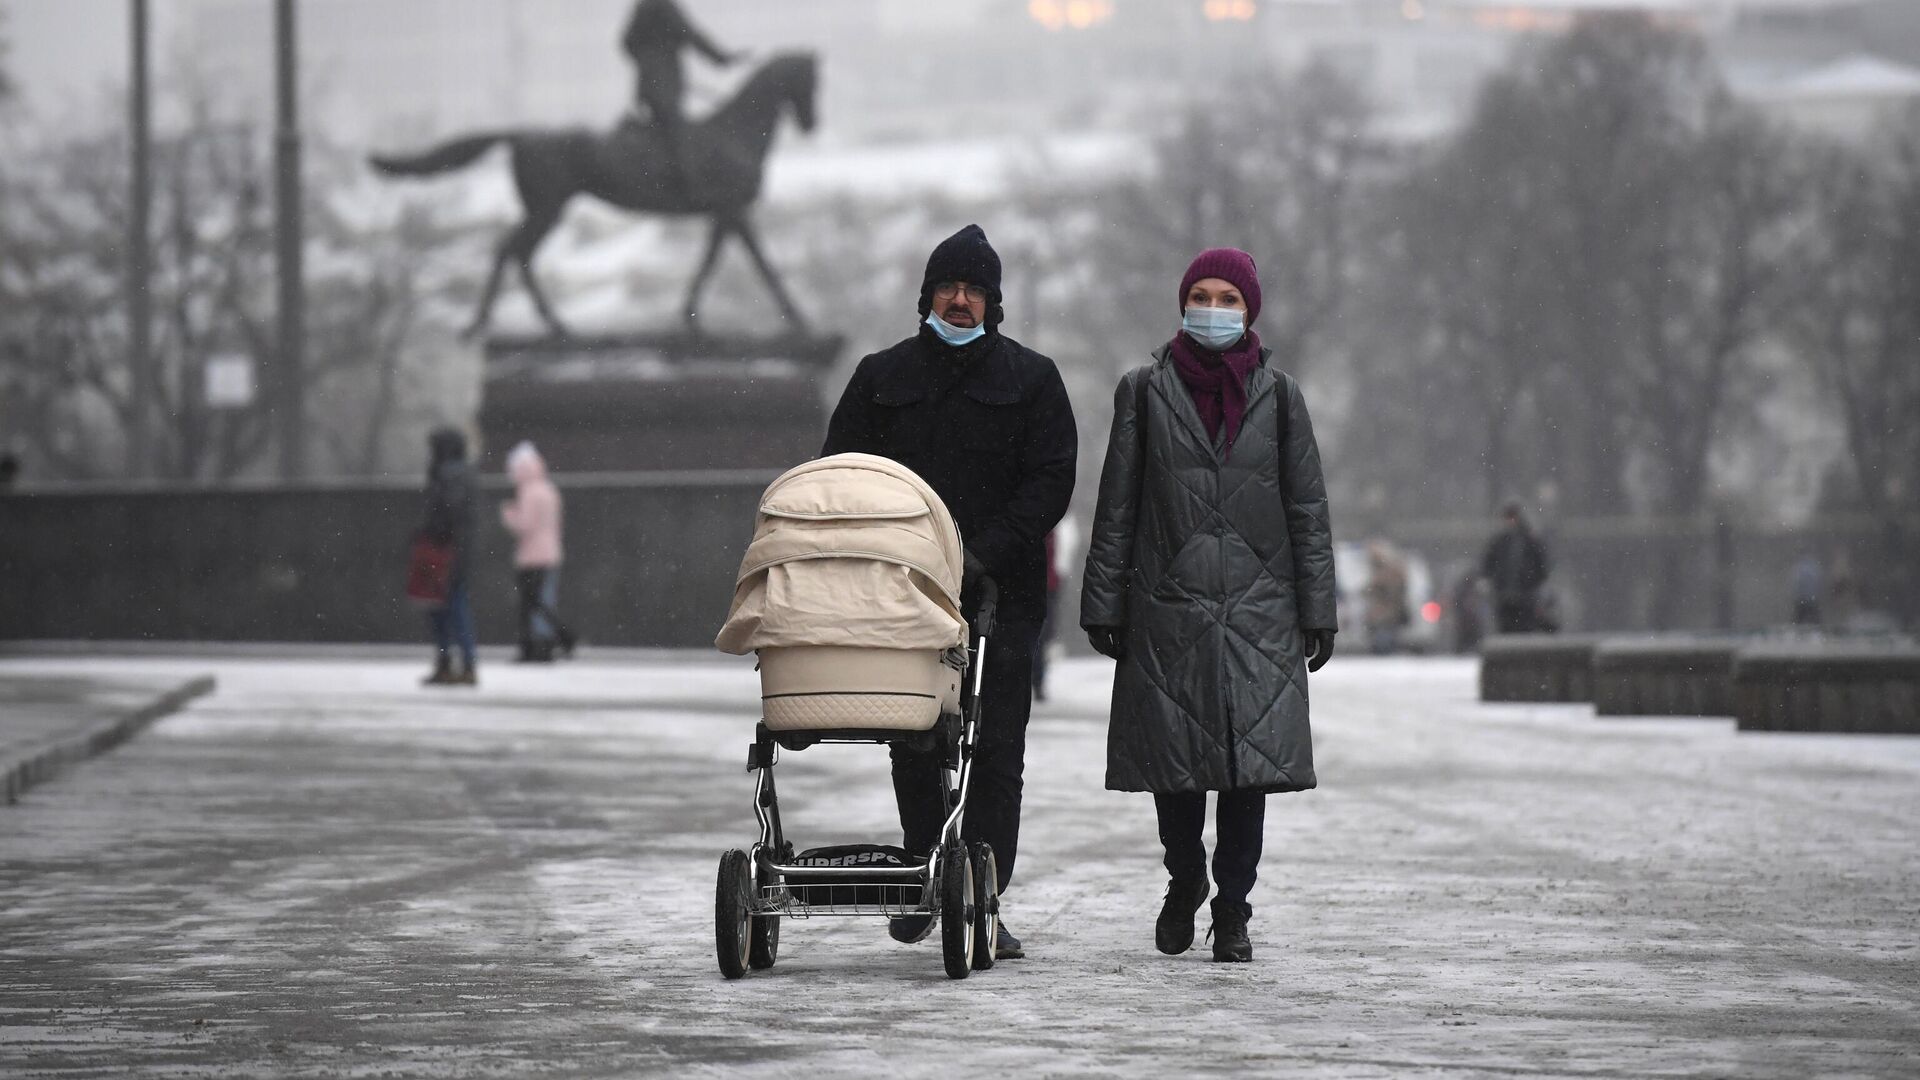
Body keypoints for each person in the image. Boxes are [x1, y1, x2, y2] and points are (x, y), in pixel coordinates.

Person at [821, 224, 1077, 960]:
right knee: (913, 734)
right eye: (948, 286)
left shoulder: (1033, 380)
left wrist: (981, 551)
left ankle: (984, 899)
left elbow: (1048, 481)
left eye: (974, 290)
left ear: (993, 303)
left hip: (1005, 592)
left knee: (998, 749)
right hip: (901, 591)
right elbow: (842, 470)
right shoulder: (880, 376)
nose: (960, 300)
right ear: (927, 295)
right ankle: (924, 875)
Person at [1081, 247, 1337, 963]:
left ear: (1250, 308)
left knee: (1245, 772)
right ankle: (1185, 876)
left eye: (1229, 297)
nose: (1215, 308)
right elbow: (1118, 505)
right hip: (1170, 605)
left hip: (1261, 610)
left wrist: (1318, 608)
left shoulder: (1281, 398)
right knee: (1177, 766)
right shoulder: (1143, 390)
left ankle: (1232, 910)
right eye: (1203, 294)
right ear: (1182, 303)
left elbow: (1308, 509)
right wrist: (1104, 603)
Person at [621, 0, 739, 194]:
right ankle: (689, 190)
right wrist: (721, 59)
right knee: (677, 134)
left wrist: (648, 63)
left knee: (664, 132)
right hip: (663, 84)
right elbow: (690, 34)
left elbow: (627, 42)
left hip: (652, 83)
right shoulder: (663, 5)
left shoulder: (644, 6)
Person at [500, 441, 576, 663]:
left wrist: (508, 514)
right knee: (541, 601)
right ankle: (550, 640)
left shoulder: (529, 492)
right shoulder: (548, 489)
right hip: (550, 553)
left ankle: (549, 641)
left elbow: (524, 525)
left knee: (530, 603)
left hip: (531, 556)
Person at [421, 427, 478, 687]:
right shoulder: (464, 474)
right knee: (453, 607)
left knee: (447, 609)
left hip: (445, 551)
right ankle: (462, 662)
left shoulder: (447, 475)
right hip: (459, 551)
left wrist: (435, 532)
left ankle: (452, 662)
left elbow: (446, 511)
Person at [1481, 503, 1550, 634]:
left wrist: (1534, 584)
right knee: (1507, 627)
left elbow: (1540, 566)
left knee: (1523, 627)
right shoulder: (1500, 542)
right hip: (1504, 595)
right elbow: (1488, 563)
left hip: (1525, 596)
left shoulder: (1529, 541)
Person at [1362, 540, 1411, 655]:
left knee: (1385, 635)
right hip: (1385, 611)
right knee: (1384, 634)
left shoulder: (1387, 572)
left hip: (1386, 611)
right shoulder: (1385, 571)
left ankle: (1385, 652)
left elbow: (1390, 590)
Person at [1032, 531, 1060, 702]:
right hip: (1047, 585)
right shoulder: (1050, 528)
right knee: (1041, 638)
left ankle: (1036, 680)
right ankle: (1037, 681)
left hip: (1043, 585)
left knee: (1039, 639)